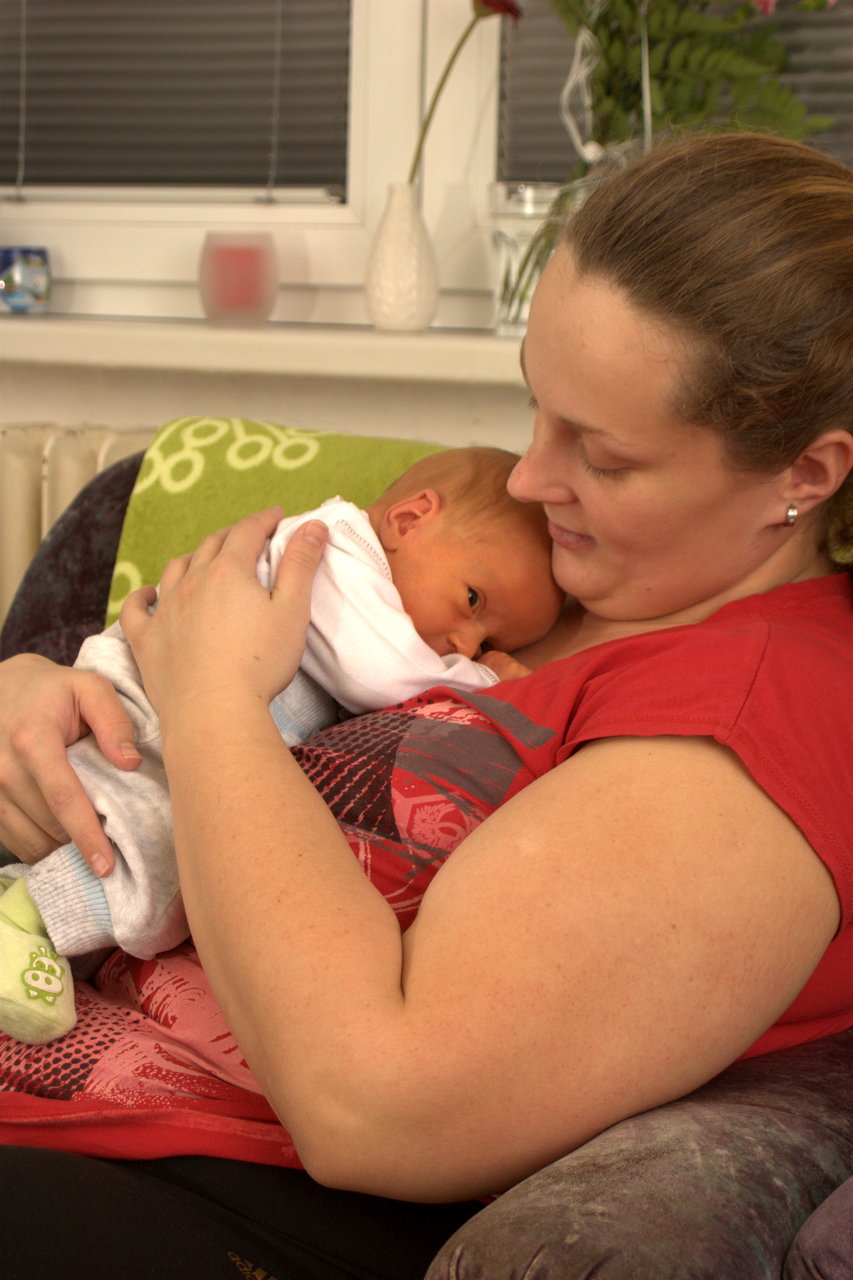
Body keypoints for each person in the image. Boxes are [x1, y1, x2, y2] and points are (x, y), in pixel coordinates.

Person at [0, 131, 851, 1280]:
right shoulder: (555, 582)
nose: (529, 477)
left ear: (804, 474)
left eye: (601, 454)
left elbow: (374, 1104)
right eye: (535, 406)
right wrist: (39, 692)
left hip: (207, 1178)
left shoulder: (760, 718)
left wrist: (208, 703)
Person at [0, 446, 564, 1045]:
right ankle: (24, 919)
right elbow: (373, 675)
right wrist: (487, 679)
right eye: (473, 601)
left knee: (171, 849)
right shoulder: (337, 553)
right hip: (142, 706)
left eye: (487, 643)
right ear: (410, 520)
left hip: (171, 708)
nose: (466, 645)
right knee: (165, 862)